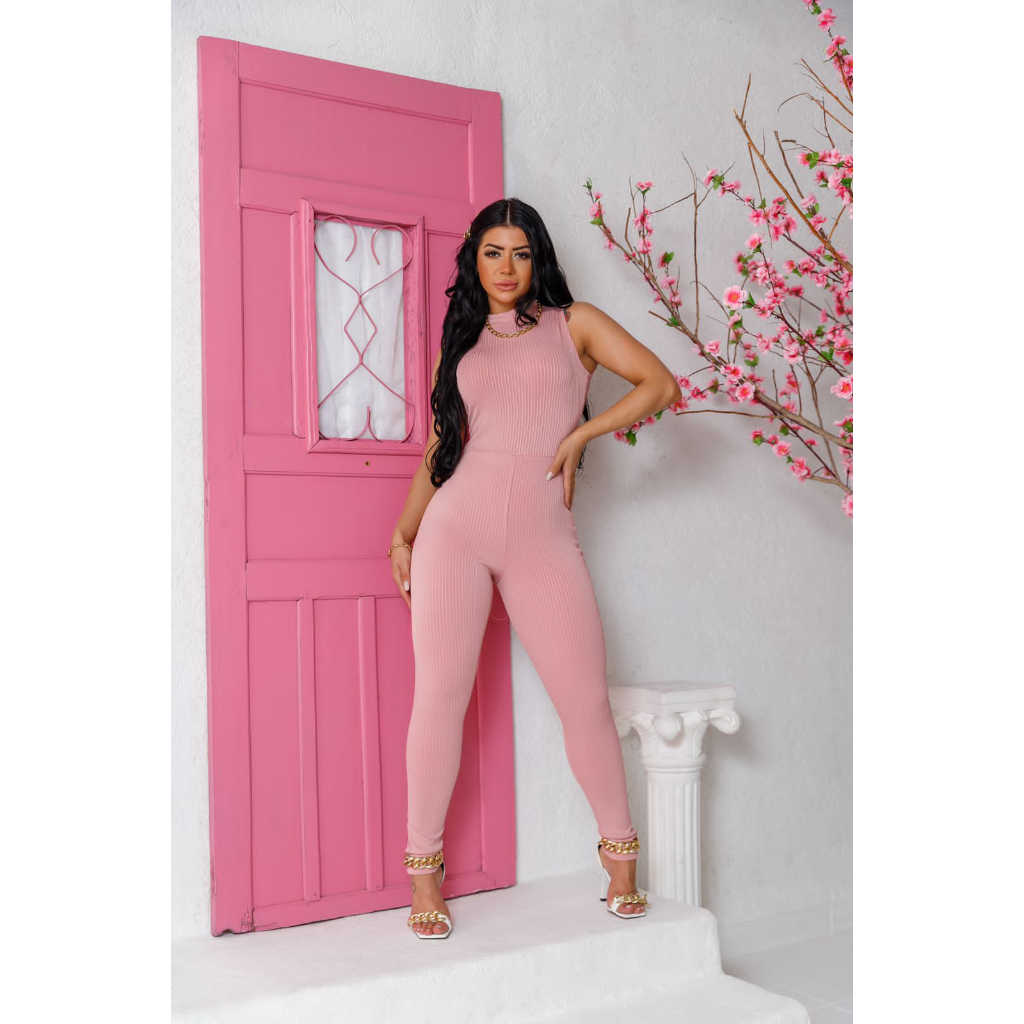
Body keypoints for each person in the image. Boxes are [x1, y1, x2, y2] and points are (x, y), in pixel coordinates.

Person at [388, 197, 682, 938]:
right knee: (439, 699)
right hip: (455, 530)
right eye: (493, 252)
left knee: (584, 702)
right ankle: (424, 878)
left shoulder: (572, 325)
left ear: (537, 258)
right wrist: (404, 532)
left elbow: (659, 384)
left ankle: (620, 862)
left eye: (520, 253)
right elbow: (440, 446)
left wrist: (582, 434)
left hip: (542, 539)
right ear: (475, 259)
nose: (507, 267)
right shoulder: (460, 341)